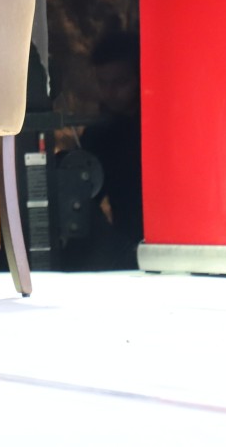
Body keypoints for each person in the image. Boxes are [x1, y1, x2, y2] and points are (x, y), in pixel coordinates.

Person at [64, 29, 143, 270]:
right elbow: (85, 198)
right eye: (103, 83)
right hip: (124, 249)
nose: (110, 92)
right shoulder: (98, 134)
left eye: (120, 82)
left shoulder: (156, 130)